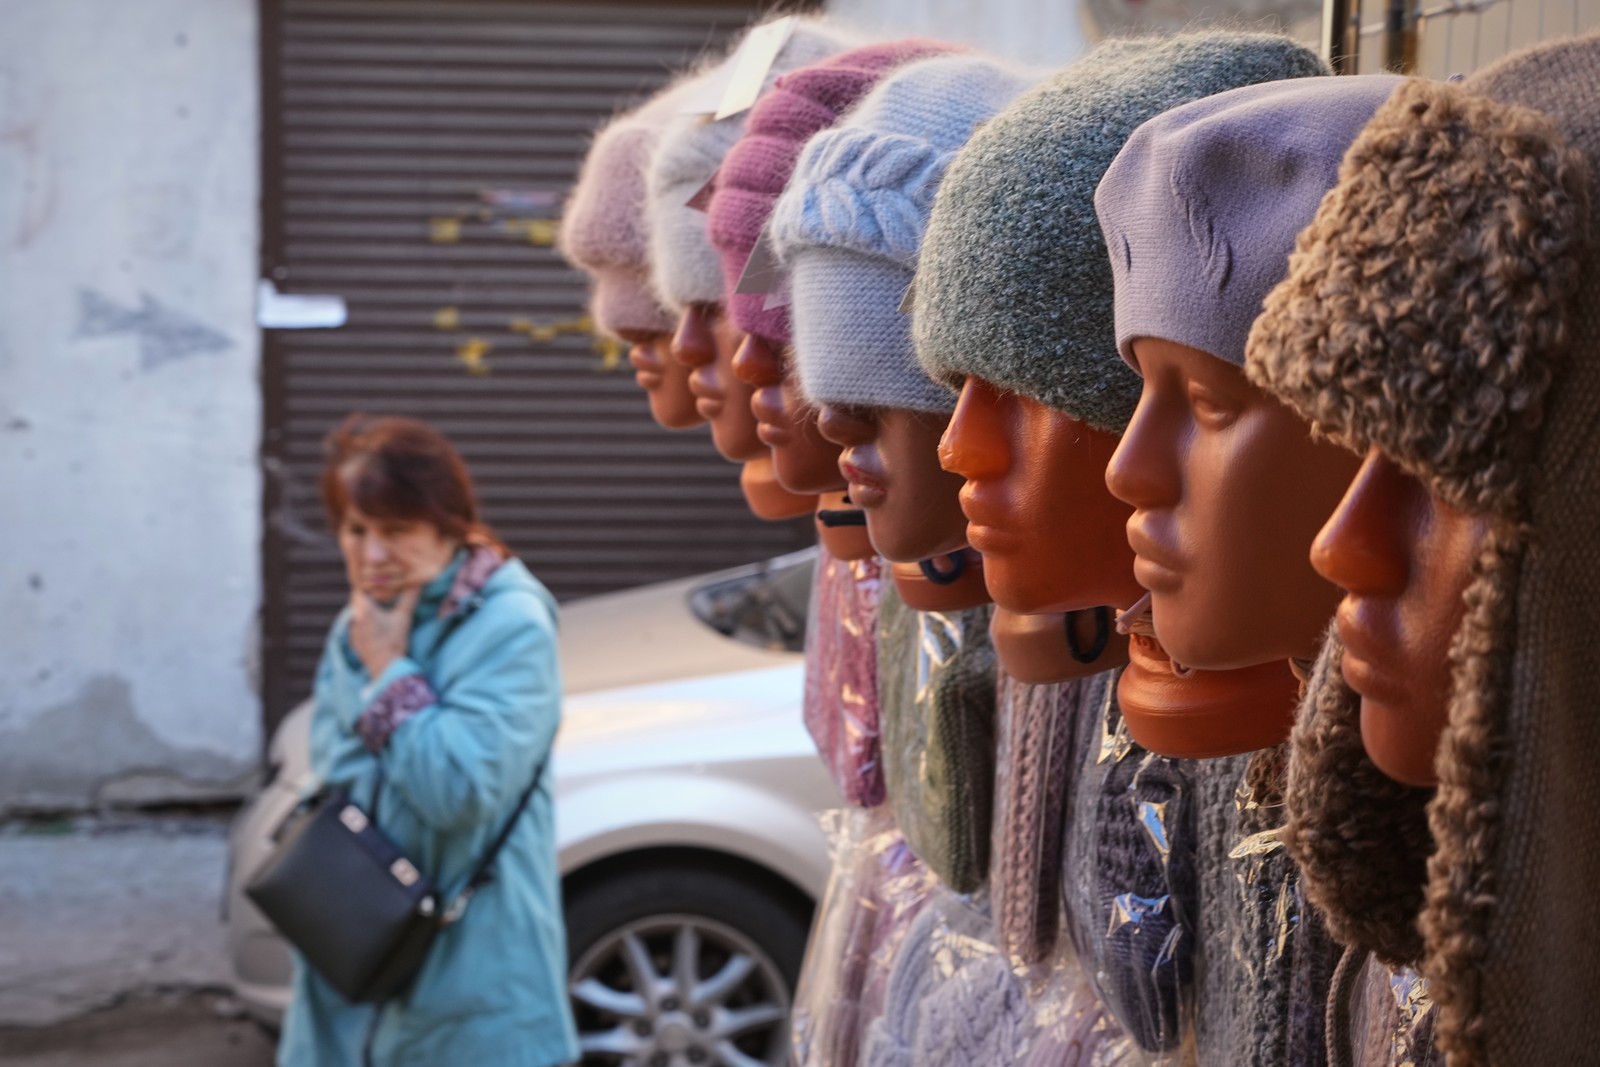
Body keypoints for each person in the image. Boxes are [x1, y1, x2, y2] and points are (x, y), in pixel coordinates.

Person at [276, 414, 579, 1067]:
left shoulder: (510, 623)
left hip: (470, 969)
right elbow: (336, 779)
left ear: (449, 526)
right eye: (355, 531)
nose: (371, 556)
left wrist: (390, 676)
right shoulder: (362, 618)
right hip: (352, 951)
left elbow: (461, 792)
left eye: (395, 530)